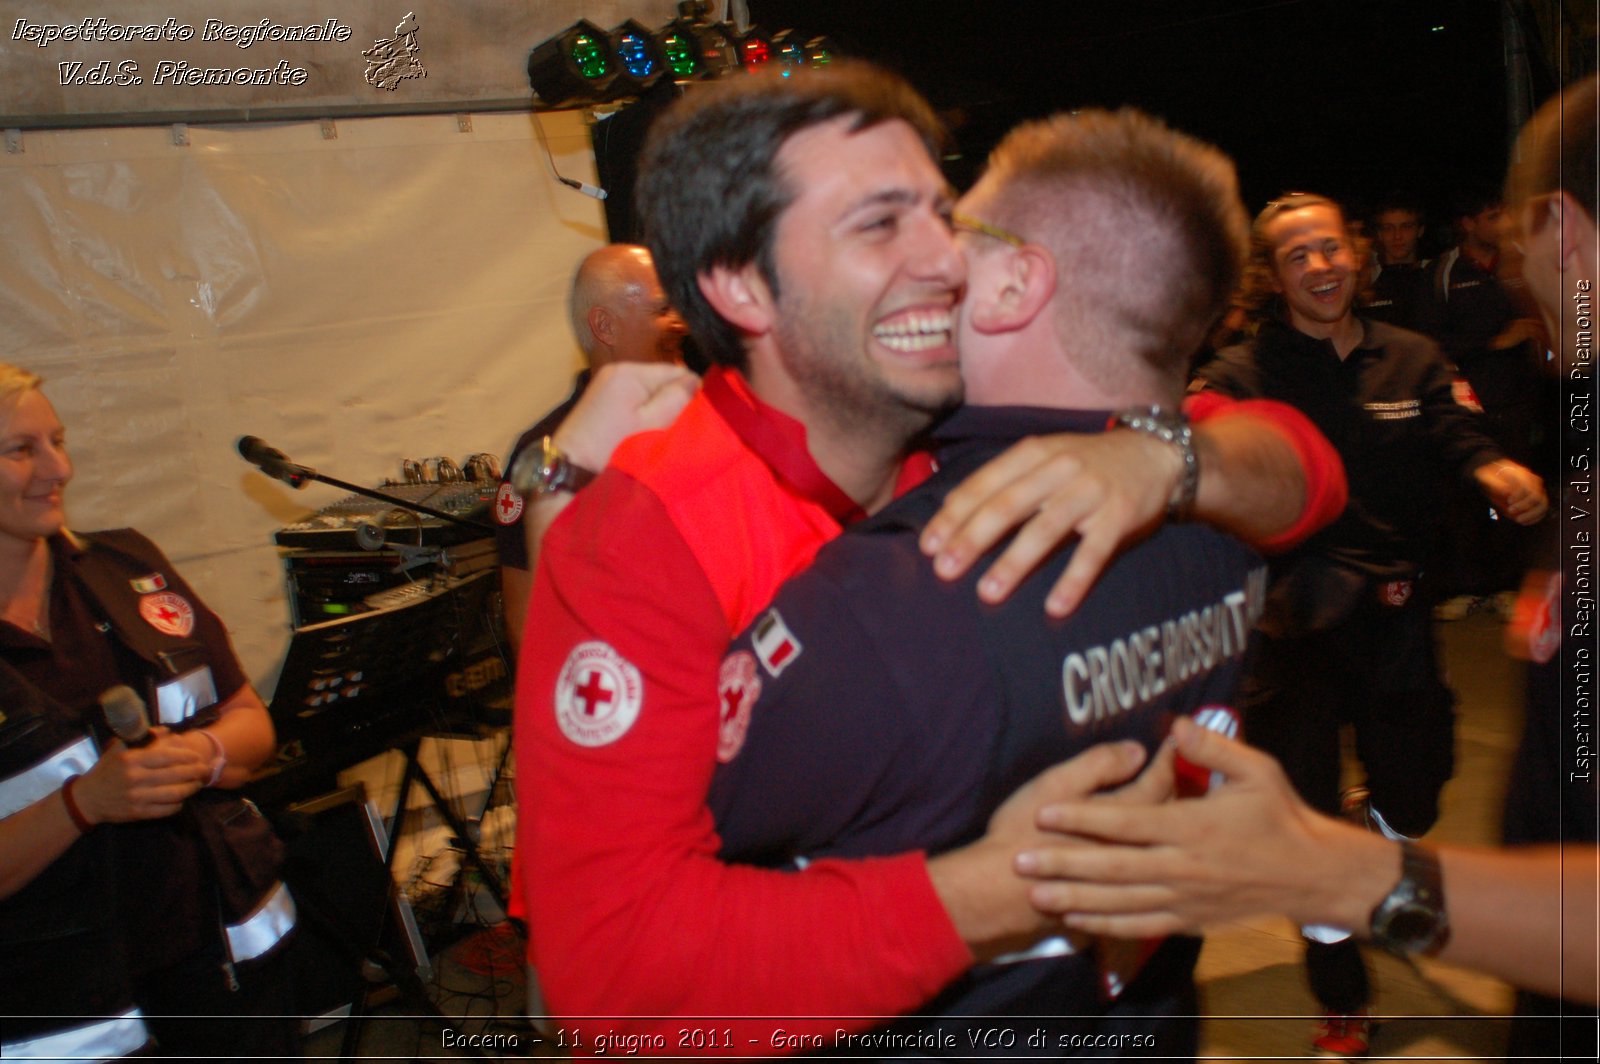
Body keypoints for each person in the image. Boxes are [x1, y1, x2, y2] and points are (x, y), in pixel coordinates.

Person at [515, 63, 1342, 1048]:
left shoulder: (992, 428)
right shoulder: (645, 540)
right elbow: (612, 980)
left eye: (941, 213)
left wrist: (1165, 455)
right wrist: (995, 891)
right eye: (877, 224)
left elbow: (1308, 469)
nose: (947, 259)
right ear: (740, 284)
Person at [706, 106, 1275, 1055]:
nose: (931, 262)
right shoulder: (1230, 515)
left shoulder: (897, 592)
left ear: (1013, 282)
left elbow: (654, 872)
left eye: (958, 233)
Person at [1192, 192, 1549, 1056]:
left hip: (1392, 613)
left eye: (1330, 248)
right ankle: (1342, 993)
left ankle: (1381, 824)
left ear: (1356, 256)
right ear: (1275, 277)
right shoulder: (1244, 371)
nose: (1320, 266)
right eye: (1297, 256)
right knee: (1306, 819)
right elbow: (1196, 428)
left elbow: (1456, 430)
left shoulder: (1413, 355)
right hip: (1287, 624)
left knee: (1420, 791)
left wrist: (1496, 468)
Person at [0, 365, 298, 1060]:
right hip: (67, 1016)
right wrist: (84, 804)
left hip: (226, 972)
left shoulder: (125, 566)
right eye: (21, 450)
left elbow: (251, 720)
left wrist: (208, 755)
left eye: (59, 440)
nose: (59, 468)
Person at [494, 243, 688, 647]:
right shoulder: (549, 453)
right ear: (605, 326)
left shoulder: (702, 420)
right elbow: (527, 622)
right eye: (662, 309)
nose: (682, 323)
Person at [1360, 198, 1431, 330]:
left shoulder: (1437, 275)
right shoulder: (1365, 282)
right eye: (1388, 228)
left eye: (1406, 227)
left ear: (1420, 230)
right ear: (1379, 234)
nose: (1397, 236)